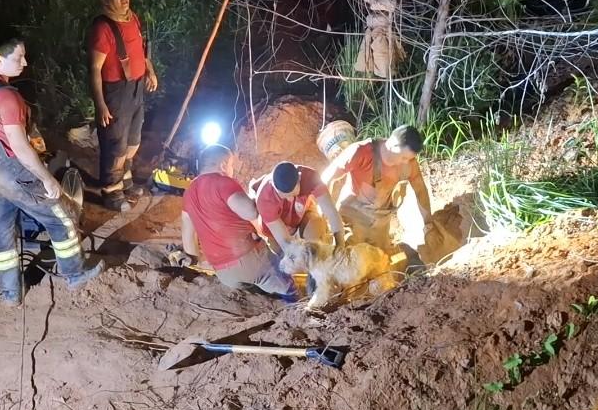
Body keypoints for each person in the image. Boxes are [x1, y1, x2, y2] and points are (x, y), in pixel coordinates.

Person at [0, 39, 103, 306]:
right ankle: (75, 273)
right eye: (19, 58)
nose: (25, 63)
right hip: (13, 174)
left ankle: (10, 293)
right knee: (61, 217)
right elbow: (19, 145)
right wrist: (47, 178)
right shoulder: (8, 97)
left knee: (2, 230)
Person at [180, 144, 296, 300]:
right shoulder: (223, 182)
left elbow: (189, 241)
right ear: (223, 165)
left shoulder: (188, 194)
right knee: (287, 288)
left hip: (223, 273)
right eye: (231, 165)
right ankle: (297, 306)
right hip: (250, 260)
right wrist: (255, 197)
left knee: (258, 295)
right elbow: (251, 212)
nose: (231, 170)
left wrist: (191, 259)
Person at [89, 0, 159, 212]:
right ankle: (111, 189)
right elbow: (95, 69)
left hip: (136, 86)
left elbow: (141, 49)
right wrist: (100, 104)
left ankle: (123, 177)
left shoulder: (132, 18)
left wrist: (150, 71)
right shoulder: (103, 28)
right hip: (116, 91)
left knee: (133, 140)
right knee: (115, 143)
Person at [321, 125, 433, 249]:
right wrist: (326, 213)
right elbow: (326, 179)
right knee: (350, 257)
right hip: (352, 215)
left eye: (410, 159)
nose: (406, 162)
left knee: (381, 260)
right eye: (404, 157)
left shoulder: (409, 163)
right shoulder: (361, 152)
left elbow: (420, 190)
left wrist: (428, 222)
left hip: (380, 219)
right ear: (393, 146)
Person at [249, 162, 346, 255]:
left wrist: (340, 246)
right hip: (275, 228)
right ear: (274, 188)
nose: (290, 199)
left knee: (317, 242)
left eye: (293, 194)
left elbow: (331, 212)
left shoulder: (311, 177)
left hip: (301, 214)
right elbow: (286, 243)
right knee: (288, 258)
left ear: (299, 177)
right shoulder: (265, 198)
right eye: (284, 197)